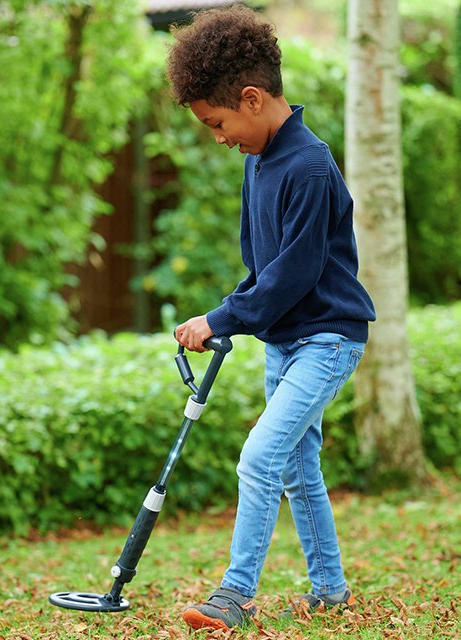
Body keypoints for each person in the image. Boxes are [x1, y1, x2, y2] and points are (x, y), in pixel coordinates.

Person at [165, 4, 377, 631]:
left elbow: (295, 276)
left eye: (217, 121)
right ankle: (330, 590)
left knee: (259, 457)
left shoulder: (309, 167)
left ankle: (235, 594)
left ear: (252, 99)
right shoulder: (258, 163)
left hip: (328, 339)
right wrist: (218, 316)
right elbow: (261, 269)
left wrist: (222, 320)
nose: (218, 136)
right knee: (293, 465)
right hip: (286, 341)